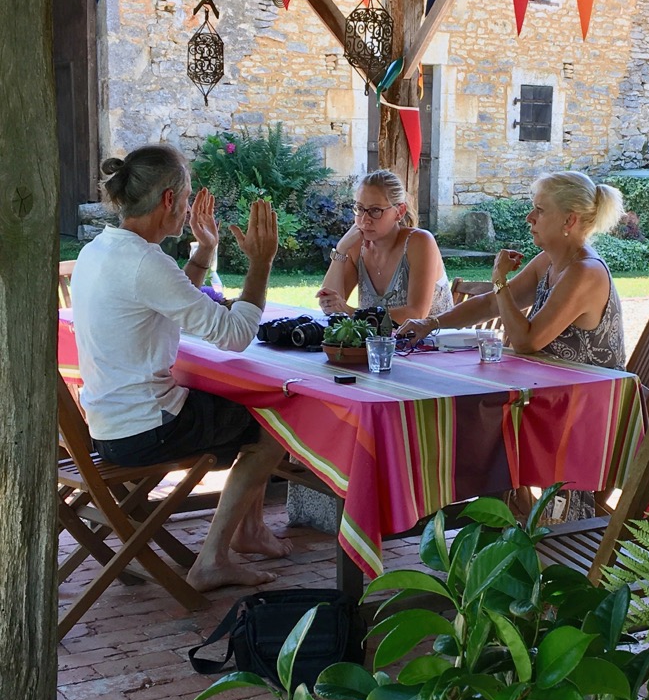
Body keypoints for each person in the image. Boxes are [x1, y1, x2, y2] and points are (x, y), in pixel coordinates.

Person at [70, 143, 289, 593]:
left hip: (107, 425)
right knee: (272, 428)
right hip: (143, 431)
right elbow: (234, 335)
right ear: (168, 200)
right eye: (186, 198)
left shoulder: (101, 250)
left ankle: (246, 531)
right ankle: (213, 559)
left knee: (237, 407)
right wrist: (261, 264)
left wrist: (205, 250)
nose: (188, 208)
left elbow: (169, 301)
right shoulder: (144, 262)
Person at [398, 171, 626, 369]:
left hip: (592, 395)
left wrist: (499, 279)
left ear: (569, 221)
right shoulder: (548, 261)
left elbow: (525, 342)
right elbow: (489, 305)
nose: (530, 218)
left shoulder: (585, 272)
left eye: (540, 210)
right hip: (552, 385)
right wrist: (430, 323)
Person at [316, 169, 453, 322]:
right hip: (381, 344)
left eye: (375, 210)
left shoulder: (419, 242)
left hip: (438, 343)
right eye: (360, 209)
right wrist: (341, 249)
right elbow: (330, 304)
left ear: (399, 212)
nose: (365, 220)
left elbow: (416, 313)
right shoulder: (355, 246)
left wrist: (351, 313)